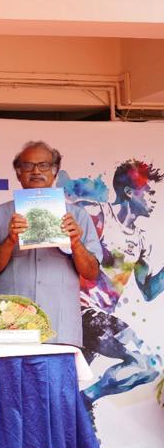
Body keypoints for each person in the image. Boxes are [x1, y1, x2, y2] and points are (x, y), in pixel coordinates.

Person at [59, 158, 164, 405]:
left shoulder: (141, 242)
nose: (155, 198)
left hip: (100, 321)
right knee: (146, 362)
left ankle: (81, 404)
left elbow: (148, 291)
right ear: (129, 192)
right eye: (149, 192)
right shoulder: (96, 213)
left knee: (149, 367)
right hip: (79, 312)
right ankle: (85, 401)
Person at [0, 141, 102, 347]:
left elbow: (92, 273)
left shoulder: (77, 216)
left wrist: (75, 244)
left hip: (61, 330)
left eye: (44, 165)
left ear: (55, 171)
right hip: (13, 329)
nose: (36, 171)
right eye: (28, 166)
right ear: (18, 173)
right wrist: (10, 240)